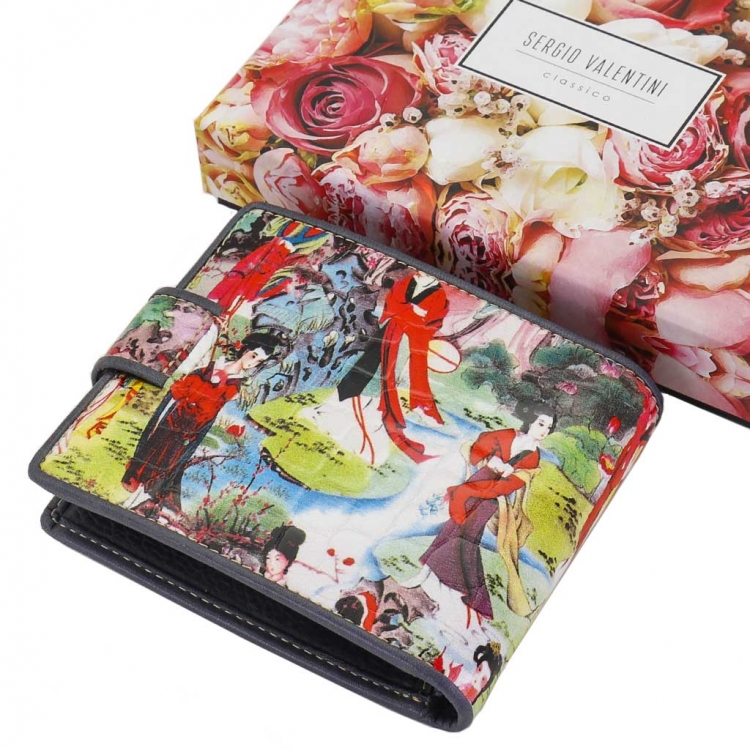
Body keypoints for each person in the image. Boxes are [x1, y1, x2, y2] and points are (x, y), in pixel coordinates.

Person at [414, 405, 556, 621]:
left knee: (468, 535)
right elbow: (480, 444)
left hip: (492, 496)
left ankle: (466, 594)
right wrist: (491, 460)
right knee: (454, 527)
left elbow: (512, 484)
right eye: (541, 423)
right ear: (530, 421)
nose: (544, 430)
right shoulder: (509, 435)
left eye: (549, 427)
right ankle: (428, 576)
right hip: (479, 479)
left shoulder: (533, 457)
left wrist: (505, 476)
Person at [121, 330, 281, 518]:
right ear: (244, 349)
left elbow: (208, 408)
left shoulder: (234, 386)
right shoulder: (212, 366)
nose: (253, 362)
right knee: (149, 452)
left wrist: (196, 394)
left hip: (187, 431)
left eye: (259, 361)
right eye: (253, 355)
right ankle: (132, 498)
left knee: (164, 464)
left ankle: (142, 501)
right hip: (172, 419)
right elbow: (182, 387)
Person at [336, 269, 449, 463]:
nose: (422, 272)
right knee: (367, 363)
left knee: (394, 374)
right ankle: (346, 398)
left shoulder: (439, 295)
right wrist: (414, 312)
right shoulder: (406, 282)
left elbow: (432, 322)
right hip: (388, 330)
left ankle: (405, 408)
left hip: (410, 338)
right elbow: (393, 304)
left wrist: (409, 315)